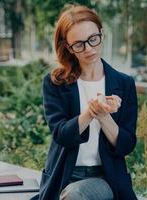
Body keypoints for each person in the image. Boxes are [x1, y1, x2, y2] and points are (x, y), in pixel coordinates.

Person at [31, 4, 138, 200]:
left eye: (93, 39)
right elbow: (61, 135)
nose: (89, 49)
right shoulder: (55, 83)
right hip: (62, 175)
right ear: (68, 48)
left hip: (105, 178)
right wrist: (90, 112)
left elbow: (126, 145)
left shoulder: (124, 83)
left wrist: (104, 116)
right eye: (79, 44)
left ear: (101, 34)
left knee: (74, 196)